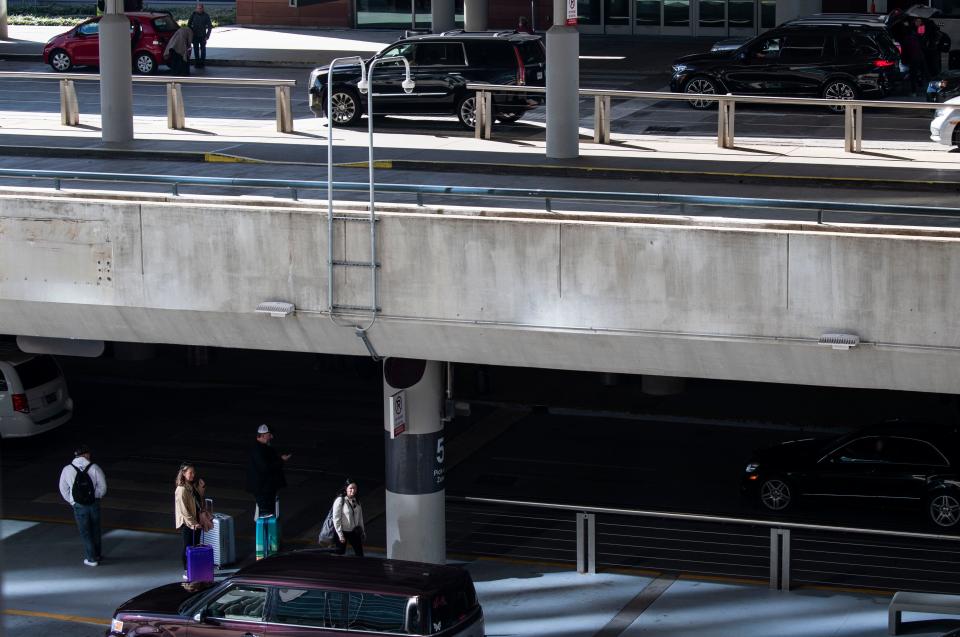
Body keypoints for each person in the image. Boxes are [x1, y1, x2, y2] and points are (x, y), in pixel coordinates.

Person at [58, 444, 107, 566]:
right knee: (95, 529)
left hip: (79, 505)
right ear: (86, 455)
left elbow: (63, 488)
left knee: (85, 532)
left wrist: (72, 501)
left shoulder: (67, 469)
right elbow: (103, 487)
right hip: (93, 503)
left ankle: (91, 559)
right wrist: (97, 496)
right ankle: (97, 555)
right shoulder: (95, 467)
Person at [246, 424, 291, 520]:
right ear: (263, 435)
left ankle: (266, 532)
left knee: (267, 513)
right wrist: (281, 460)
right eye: (269, 434)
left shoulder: (263, 447)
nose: (272, 437)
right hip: (263, 489)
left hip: (266, 488)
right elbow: (265, 467)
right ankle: (265, 534)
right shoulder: (258, 449)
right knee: (266, 514)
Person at [174, 462, 203, 579]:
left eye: (193, 472)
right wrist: (193, 523)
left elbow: (199, 500)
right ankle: (187, 570)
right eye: (190, 473)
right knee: (188, 546)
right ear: (184, 473)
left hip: (196, 521)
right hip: (188, 523)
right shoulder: (181, 489)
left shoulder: (191, 486)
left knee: (195, 545)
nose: (192, 475)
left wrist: (201, 488)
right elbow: (184, 511)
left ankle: (194, 568)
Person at [332, 480, 365, 556]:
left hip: (354, 531)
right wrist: (340, 534)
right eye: (351, 488)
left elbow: (360, 518)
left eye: (355, 488)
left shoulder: (357, 501)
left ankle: (360, 567)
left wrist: (363, 531)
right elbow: (336, 519)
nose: (353, 490)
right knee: (340, 552)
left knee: (359, 553)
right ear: (346, 488)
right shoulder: (340, 500)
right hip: (342, 531)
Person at [902, 21, 927, 97]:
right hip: (920, 57)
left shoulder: (907, 39)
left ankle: (914, 91)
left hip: (913, 59)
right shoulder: (917, 36)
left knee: (913, 75)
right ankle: (920, 83)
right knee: (921, 72)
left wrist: (904, 60)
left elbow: (905, 51)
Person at [187, 3, 213, 69]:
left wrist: (207, 36)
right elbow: (189, 25)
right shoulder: (193, 15)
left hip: (203, 36)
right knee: (196, 50)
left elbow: (210, 27)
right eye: (198, 8)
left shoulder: (206, 16)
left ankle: (202, 63)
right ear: (196, 8)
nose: (199, 9)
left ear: (203, 8)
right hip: (195, 36)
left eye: (200, 8)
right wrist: (191, 32)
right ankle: (197, 63)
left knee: (203, 50)